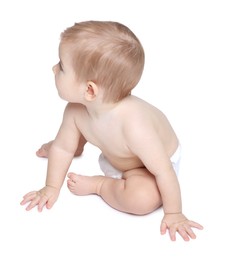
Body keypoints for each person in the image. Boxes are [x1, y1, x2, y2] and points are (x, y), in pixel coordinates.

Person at [20, 21, 203, 241]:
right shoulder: (75, 111)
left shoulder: (135, 126)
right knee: (65, 145)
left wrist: (174, 213)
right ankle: (73, 144)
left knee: (143, 199)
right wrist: (51, 187)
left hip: (146, 165)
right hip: (118, 153)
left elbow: (164, 171)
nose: (53, 68)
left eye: (61, 66)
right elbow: (63, 149)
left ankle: (100, 185)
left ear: (89, 89)